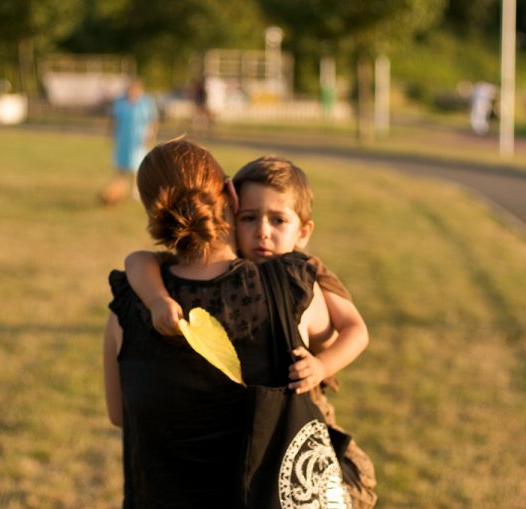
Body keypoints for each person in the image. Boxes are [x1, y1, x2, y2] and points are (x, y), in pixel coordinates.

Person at [103, 139, 361, 507]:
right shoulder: (292, 286)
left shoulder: (129, 305)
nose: (263, 231)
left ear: (155, 215)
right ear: (231, 197)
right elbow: (335, 336)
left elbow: (119, 414)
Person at [99, 78, 159, 206]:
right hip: (123, 138)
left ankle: (136, 190)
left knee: (138, 164)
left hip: (138, 138)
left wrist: (151, 135)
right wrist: (111, 134)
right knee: (121, 164)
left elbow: (152, 120)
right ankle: (118, 187)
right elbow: (115, 119)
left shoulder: (146, 102)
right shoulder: (120, 102)